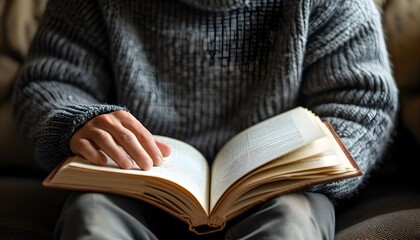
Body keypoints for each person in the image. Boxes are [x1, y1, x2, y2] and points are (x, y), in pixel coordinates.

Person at [12, 0, 398, 239]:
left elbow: (362, 101)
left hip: (278, 189)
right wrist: (74, 122)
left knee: (290, 223)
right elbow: (50, 83)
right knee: (92, 216)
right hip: (133, 182)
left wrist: (310, 166)